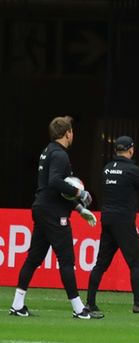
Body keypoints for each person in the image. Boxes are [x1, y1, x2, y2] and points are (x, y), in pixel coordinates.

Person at [9, 116, 103, 319]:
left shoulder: (47, 151)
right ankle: (79, 309)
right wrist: (80, 194)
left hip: (43, 208)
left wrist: (78, 209)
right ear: (67, 133)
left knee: (34, 257)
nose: (73, 135)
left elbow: (55, 188)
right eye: (72, 131)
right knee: (67, 260)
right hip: (53, 213)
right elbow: (56, 182)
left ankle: (17, 304)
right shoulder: (60, 155)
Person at [86, 136, 139, 315]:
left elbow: (126, 186)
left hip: (107, 220)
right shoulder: (132, 169)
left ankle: (89, 303)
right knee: (135, 263)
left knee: (100, 264)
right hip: (124, 222)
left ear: (116, 149)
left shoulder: (107, 169)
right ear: (131, 150)